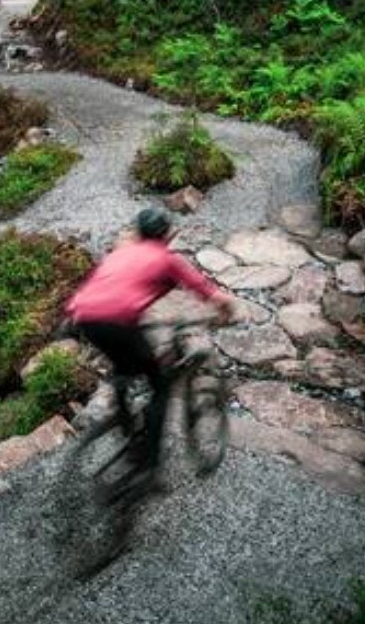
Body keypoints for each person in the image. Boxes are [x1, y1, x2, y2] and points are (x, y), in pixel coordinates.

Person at [64, 206, 237, 490]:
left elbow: (113, 289)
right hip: (117, 320)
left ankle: (124, 419)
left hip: (84, 317)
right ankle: (149, 466)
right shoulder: (165, 257)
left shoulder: (120, 252)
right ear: (166, 234)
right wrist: (227, 307)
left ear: (139, 232)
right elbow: (203, 288)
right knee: (161, 387)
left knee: (125, 364)